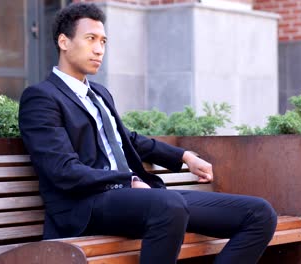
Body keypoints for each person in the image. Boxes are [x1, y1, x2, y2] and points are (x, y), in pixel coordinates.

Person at [19, 3, 277, 263]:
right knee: (168, 206)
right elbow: (62, 170)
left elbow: (127, 140)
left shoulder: (99, 93)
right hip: (84, 207)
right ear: (64, 42)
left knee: (259, 214)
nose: (99, 49)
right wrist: (126, 181)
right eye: (90, 39)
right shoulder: (41, 98)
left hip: (135, 200)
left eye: (103, 41)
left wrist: (185, 156)